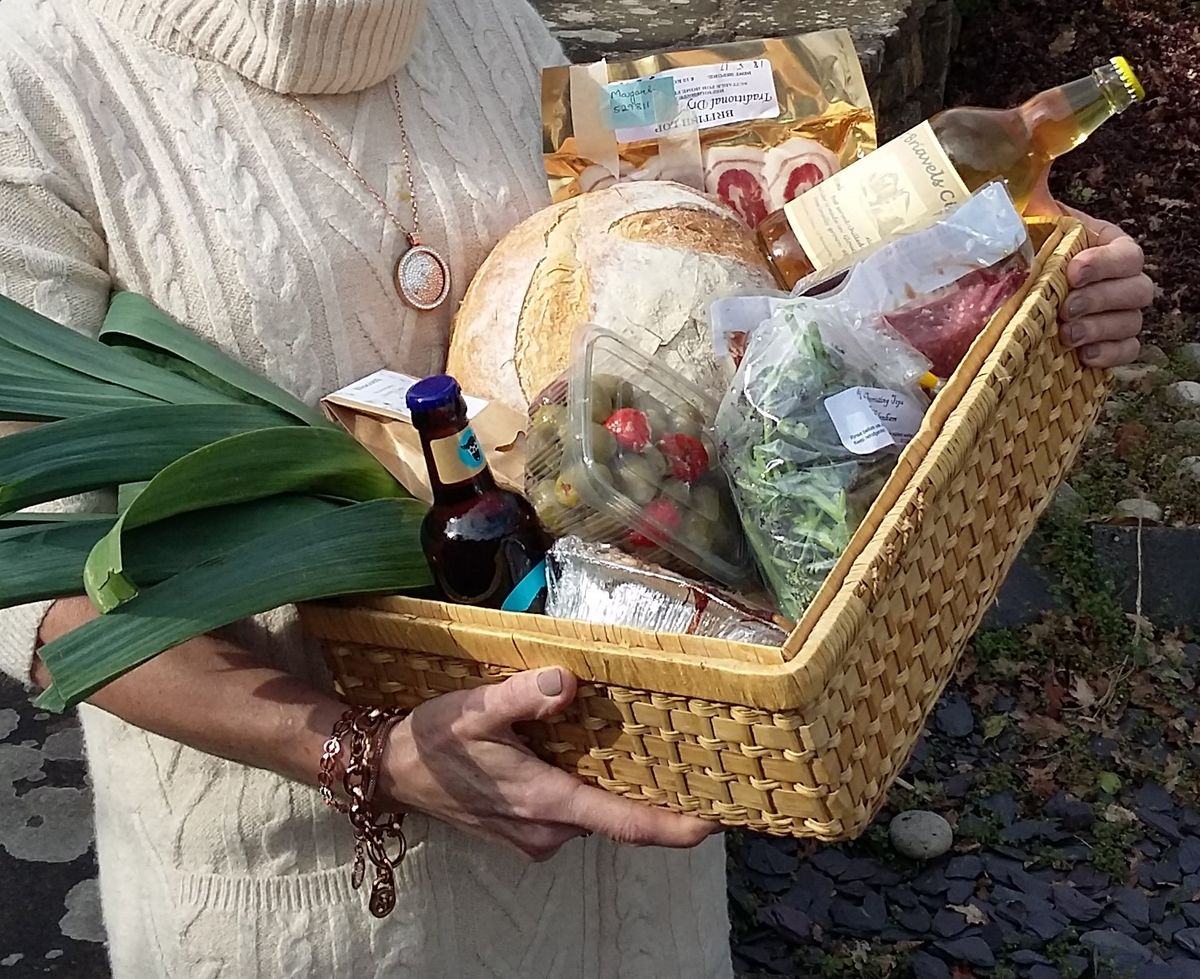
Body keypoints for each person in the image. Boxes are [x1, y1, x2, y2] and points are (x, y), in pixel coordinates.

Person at [0, 0, 1153, 976]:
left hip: (634, 880)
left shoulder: (496, 24)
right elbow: (36, 590)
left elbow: (750, 303)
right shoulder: (37, 88)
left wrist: (1006, 277)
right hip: (321, 904)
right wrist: (363, 752)